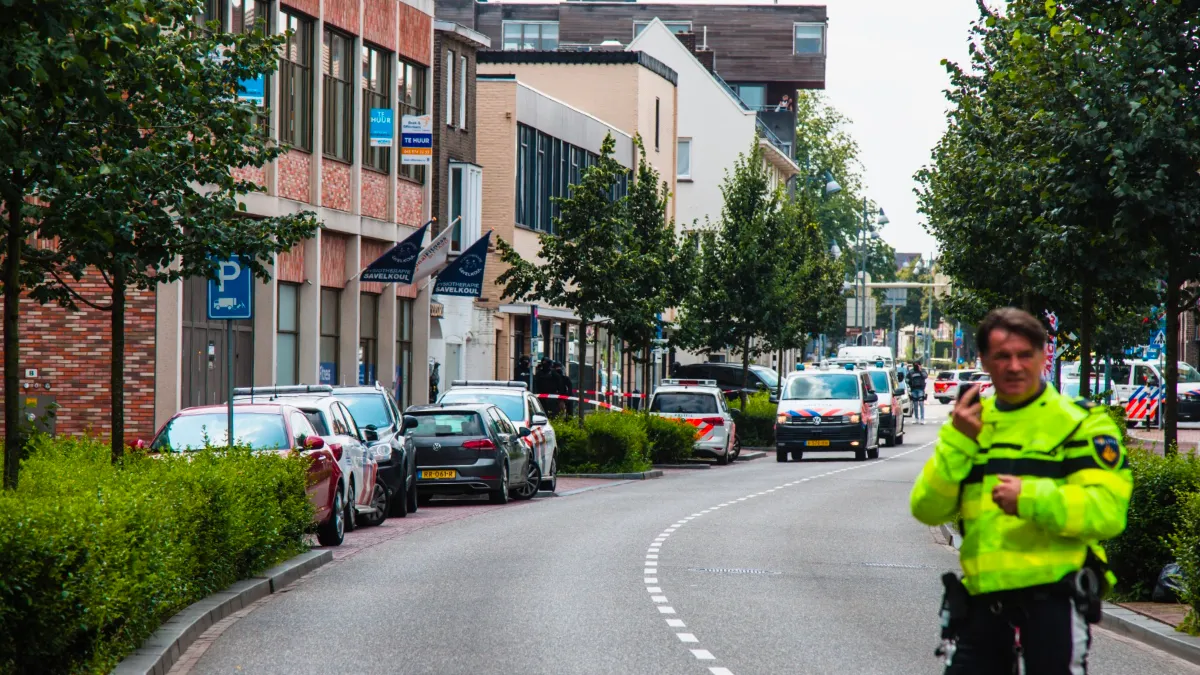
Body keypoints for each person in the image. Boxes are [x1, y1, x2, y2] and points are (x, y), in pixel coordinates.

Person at [911, 308, 1132, 675]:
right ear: (983, 360)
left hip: (1053, 602)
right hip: (982, 604)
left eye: (1024, 355)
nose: (1014, 366)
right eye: (1002, 356)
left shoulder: (1081, 423)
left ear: (1044, 354)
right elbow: (927, 509)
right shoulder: (971, 424)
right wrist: (958, 444)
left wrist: (1030, 498)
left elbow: (1107, 512)